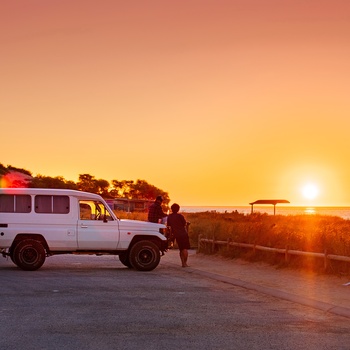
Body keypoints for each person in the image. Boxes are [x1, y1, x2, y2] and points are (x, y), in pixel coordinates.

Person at [167, 203, 190, 267]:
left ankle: (183, 263)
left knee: (181, 249)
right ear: (178, 209)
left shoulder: (170, 217)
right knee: (185, 249)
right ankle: (185, 263)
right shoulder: (180, 216)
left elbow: (169, 226)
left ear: (171, 209)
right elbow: (184, 224)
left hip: (176, 235)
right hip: (183, 234)